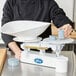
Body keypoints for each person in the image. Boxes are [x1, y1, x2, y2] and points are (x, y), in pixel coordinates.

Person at [1, 0, 73, 59]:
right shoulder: (11, 2)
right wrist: (17, 51)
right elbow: (5, 29)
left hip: (43, 54)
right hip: (17, 53)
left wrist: (65, 24)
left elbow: (58, 15)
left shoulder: (47, 2)